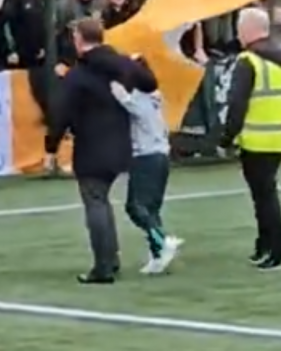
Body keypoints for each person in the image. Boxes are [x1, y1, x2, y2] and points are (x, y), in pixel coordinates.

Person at [44, 18, 157, 284]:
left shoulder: (78, 75)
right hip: (120, 142)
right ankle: (111, 259)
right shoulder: (121, 64)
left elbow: (60, 113)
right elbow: (150, 83)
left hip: (91, 145)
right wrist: (140, 63)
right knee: (102, 201)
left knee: (96, 202)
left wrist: (51, 147)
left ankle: (104, 265)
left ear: (78, 39)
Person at [219, 7, 281, 272]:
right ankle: (265, 246)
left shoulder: (248, 61)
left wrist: (225, 139)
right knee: (264, 195)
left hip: (256, 139)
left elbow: (237, 105)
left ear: (247, 31)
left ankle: (280, 251)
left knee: (265, 198)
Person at [109, 55, 182, 275]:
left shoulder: (138, 100)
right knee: (151, 208)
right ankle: (158, 254)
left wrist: (113, 82)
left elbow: (120, 96)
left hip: (147, 156)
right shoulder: (154, 97)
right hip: (160, 155)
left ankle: (162, 240)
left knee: (135, 206)